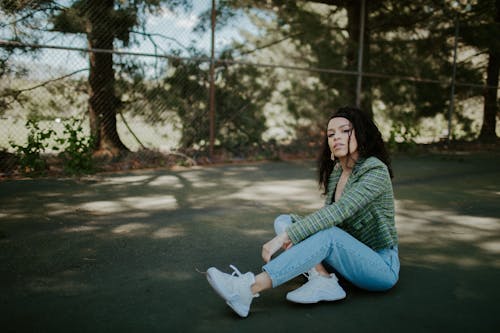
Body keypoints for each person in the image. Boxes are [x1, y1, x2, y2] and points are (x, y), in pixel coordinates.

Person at [205, 106, 400, 318]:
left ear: (361, 133)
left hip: (380, 266)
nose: (337, 138)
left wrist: (284, 238)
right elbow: (328, 218)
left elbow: (339, 211)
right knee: (285, 221)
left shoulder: (375, 170)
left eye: (345, 131)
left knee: (321, 234)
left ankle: (248, 288)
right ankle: (323, 279)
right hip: (347, 254)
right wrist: (290, 230)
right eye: (331, 134)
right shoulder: (337, 172)